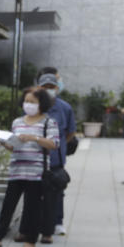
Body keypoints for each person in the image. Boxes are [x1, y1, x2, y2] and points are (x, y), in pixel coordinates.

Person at [0, 87, 60, 247]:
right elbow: (12, 147)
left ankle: (30, 240)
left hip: (36, 172)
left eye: (32, 102)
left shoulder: (48, 122)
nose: (28, 105)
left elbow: (54, 144)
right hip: (16, 169)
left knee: (32, 207)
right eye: (26, 101)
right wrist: (4, 141)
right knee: (8, 205)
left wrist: (34, 138)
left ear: (41, 104)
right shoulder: (17, 122)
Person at [36, 68, 76, 235]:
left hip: (56, 157)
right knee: (37, 191)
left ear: (57, 88)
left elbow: (70, 132)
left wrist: (58, 145)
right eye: (45, 86)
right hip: (36, 157)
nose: (49, 90)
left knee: (57, 190)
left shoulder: (65, 108)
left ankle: (57, 221)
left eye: (52, 86)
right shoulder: (33, 104)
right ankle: (38, 222)